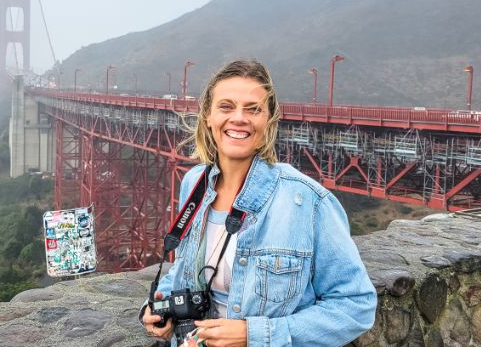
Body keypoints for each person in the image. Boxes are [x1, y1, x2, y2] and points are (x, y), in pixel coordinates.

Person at [141, 59, 376, 346]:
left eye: (253, 109)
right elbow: (184, 270)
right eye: (226, 107)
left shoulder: (306, 201)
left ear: (269, 120)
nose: (239, 118)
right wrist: (158, 306)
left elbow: (357, 306)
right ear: (208, 117)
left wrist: (254, 335)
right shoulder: (194, 184)